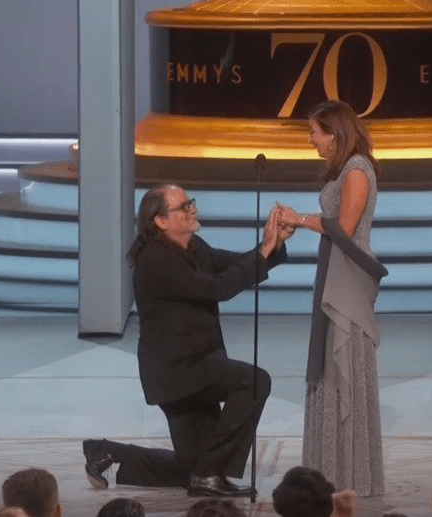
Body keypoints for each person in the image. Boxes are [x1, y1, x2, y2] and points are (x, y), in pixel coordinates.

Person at [83, 184, 293, 498]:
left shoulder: (194, 247)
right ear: (161, 221)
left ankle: (107, 452)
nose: (192, 208)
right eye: (183, 206)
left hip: (196, 368)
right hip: (180, 374)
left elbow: (236, 265)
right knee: (253, 383)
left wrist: (271, 244)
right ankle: (208, 476)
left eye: (190, 202)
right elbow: (218, 287)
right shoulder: (154, 261)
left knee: (192, 467)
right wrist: (263, 253)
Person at [276, 100, 388, 497]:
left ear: (335, 132)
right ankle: (331, 470)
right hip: (334, 272)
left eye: (314, 132)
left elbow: (343, 230)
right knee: (329, 365)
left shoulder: (357, 169)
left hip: (348, 280)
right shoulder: (347, 170)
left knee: (343, 365)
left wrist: (298, 218)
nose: (311, 140)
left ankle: (350, 474)